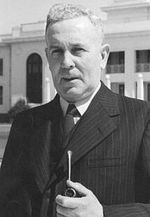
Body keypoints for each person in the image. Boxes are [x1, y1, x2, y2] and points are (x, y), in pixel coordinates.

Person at [0, 3, 150, 217]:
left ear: (103, 56)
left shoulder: (141, 118)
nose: (66, 62)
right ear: (47, 57)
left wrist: (104, 214)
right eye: (56, 51)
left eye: (77, 50)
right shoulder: (26, 123)